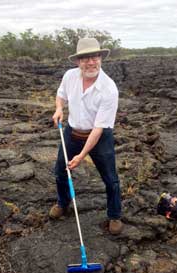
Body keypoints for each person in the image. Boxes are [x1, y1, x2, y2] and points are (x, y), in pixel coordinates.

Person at [50, 38, 123, 235]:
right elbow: (61, 95)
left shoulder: (109, 89)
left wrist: (81, 156)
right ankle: (63, 203)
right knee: (60, 172)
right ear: (77, 61)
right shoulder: (69, 76)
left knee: (110, 179)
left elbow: (98, 129)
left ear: (100, 58)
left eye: (95, 57)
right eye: (85, 58)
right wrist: (59, 109)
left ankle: (114, 215)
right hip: (72, 131)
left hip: (99, 136)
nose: (91, 62)